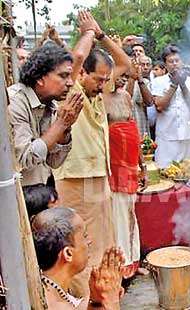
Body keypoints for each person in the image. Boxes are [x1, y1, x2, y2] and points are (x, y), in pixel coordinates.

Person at [53, 11, 131, 298]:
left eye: (105, 80)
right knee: (80, 247)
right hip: (75, 180)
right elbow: (73, 62)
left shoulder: (97, 90)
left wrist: (101, 36)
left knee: (103, 244)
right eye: (98, 79)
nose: (103, 86)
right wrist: (86, 34)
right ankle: (85, 300)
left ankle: (104, 296)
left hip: (99, 177)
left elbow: (125, 64)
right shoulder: (71, 87)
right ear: (82, 74)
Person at [8, 44, 83, 188]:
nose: (70, 83)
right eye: (63, 76)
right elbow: (24, 159)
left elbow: (54, 162)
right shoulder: (14, 102)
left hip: (41, 192)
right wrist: (61, 124)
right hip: (17, 199)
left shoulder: (50, 104)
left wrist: (65, 128)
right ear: (40, 78)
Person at [31, 207, 124, 309]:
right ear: (68, 254)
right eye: (84, 236)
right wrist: (111, 300)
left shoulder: (49, 288)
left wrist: (97, 300)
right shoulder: (56, 304)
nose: (89, 241)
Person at [105, 72, 145, 279]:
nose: (121, 80)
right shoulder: (100, 99)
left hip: (130, 165)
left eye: (124, 76)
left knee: (130, 215)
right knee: (119, 217)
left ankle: (134, 261)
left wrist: (142, 165)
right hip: (114, 166)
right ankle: (122, 266)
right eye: (118, 76)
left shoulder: (126, 97)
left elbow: (133, 131)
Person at [150, 45, 190, 168]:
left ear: (182, 62)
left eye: (177, 61)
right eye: (170, 61)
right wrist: (174, 85)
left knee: (187, 172)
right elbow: (160, 107)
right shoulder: (158, 82)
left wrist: (183, 85)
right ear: (166, 65)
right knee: (165, 174)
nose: (174, 64)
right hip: (166, 138)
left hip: (187, 135)